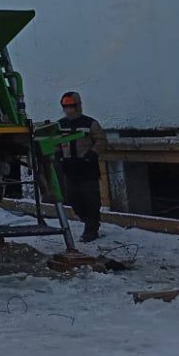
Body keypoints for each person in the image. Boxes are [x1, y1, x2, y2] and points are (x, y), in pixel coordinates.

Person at [57, 91, 105, 242]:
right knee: (73, 199)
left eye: (71, 106)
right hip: (70, 169)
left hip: (87, 169)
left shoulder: (90, 123)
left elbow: (101, 141)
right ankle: (86, 220)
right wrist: (58, 156)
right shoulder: (60, 125)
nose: (69, 110)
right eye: (66, 107)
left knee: (91, 200)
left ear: (77, 106)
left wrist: (92, 154)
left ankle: (91, 228)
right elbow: (55, 142)